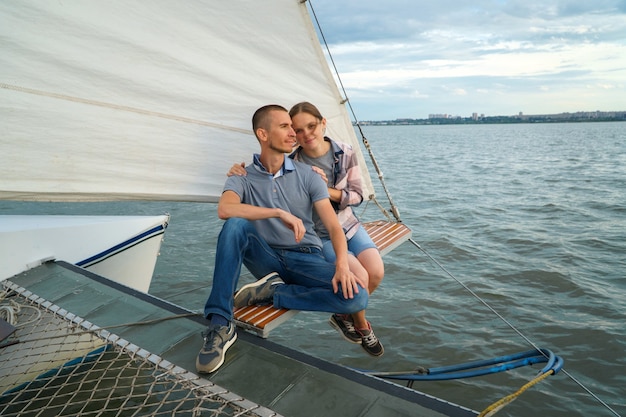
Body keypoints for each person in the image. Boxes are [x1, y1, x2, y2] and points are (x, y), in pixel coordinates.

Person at [196, 104, 369, 374]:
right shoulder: (242, 176)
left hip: (306, 257)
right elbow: (225, 209)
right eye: (285, 127)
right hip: (266, 257)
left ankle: (273, 292)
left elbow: (334, 228)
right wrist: (278, 213)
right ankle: (219, 324)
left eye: (293, 127)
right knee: (235, 225)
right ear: (263, 134)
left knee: (357, 297)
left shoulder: (309, 176)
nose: (293, 134)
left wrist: (342, 266)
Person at [228, 102, 385, 357]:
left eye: (311, 126)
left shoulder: (344, 152)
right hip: (320, 235)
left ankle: (344, 316)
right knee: (361, 280)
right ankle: (360, 325)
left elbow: (357, 195)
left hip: (347, 223)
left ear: (323, 123)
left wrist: (326, 190)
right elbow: (270, 182)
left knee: (376, 272)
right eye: (298, 130)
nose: (306, 134)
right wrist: (239, 172)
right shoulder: (294, 163)